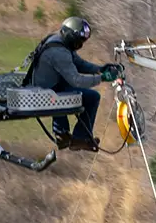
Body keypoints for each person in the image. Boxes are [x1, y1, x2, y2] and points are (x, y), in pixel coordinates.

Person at [23, 15, 121, 150]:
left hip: (49, 87)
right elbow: (77, 80)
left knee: (64, 91)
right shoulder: (59, 52)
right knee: (92, 97)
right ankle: (78, 138)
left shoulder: (59, 42)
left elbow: (79, 63)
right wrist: (102, 78)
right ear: (71, 36)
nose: (80, 45)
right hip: (46, 93)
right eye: (79, 41)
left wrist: (99, 69)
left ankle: (64, 134)